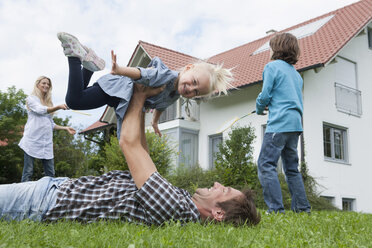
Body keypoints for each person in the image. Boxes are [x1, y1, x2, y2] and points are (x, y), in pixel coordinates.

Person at [0, 84, 261, 226]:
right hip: (56, 189)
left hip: (44, 202)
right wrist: (144, 109)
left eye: (224, 190)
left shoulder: (174, 208)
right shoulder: (181, 200)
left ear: (218, 213)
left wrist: (139, 95)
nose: (217, 183)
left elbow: (128, 144)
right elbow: (144, 157)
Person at [56, 32, 234, 138]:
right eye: (194, 82)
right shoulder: (166, 75)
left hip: (119, 100)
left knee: (82, 96)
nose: (191, 89)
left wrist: (156, 122)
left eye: (196, 93)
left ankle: (89, 66)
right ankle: (74, 55)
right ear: (188, 68)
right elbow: (143, 73)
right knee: (74, 101)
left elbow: (161, 106)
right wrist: (120, 70)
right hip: (117, 88)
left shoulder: (176, 94)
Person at [256, 33, 311, 214]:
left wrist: (259, 108)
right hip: (295, 126)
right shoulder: (296, 75)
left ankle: (276, 209)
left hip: (278, 125)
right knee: (291, 169)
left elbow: (265, 95)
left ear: (276, 49)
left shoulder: (271, 67)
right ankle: (303, 209)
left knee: (266, 165)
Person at [18, 76, 76, 182]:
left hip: (46, 143)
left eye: (48, 84)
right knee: (28, 172)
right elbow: (40, 110)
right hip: (32, 140)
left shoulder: (48, 103)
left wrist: (65, 128)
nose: (46, 86)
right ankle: (23, 196)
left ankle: (51, 197)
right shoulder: (31, 99)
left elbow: (51, 124)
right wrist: (58, 107)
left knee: (50, 173)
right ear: (37, 85)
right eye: (43, 83)